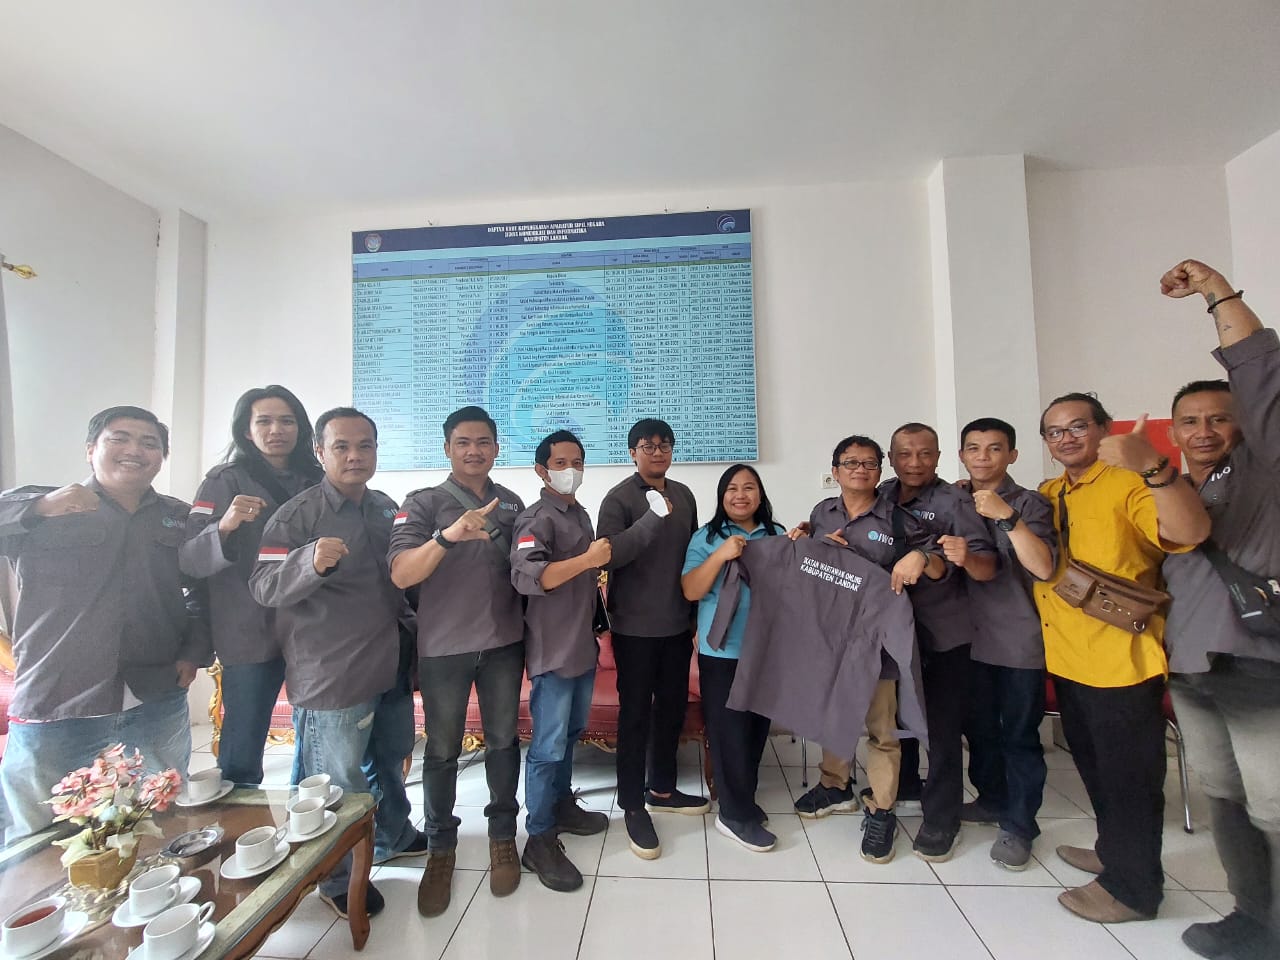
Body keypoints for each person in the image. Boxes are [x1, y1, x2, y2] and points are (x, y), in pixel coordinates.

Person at [1034, 391, 1210, 924]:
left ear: (1103, 428)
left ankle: (1134, 891)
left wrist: (1154, 467)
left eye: (1077, 427)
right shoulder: (1050, 492)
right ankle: (1113, 854)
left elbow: (1187, 533)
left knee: (1131, 781)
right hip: (1067, 658)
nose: (1066, 438)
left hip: (1121, 661)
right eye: (1055, 432)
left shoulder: (1130, 483)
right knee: (1095, 769)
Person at [0, 406, 209, 843]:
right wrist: (39, 507)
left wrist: (193, 651)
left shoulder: (177, 517)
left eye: (149, 443)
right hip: (59, 698)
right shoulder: (46, 508)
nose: (135, 450)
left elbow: (203, 590)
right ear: (90, 449)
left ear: (161, 457)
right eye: (120, 438)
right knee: (38, 835)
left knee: (160, 816)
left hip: (155, 695)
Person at [249, 407, 427, 920]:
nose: (354, 456)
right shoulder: (295, 516)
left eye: (364, 446)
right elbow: (262, 585)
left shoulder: (384, 507)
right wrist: (308, 561)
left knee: (389, 758)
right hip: (332, 669)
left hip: (390, 658)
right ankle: (335, 876)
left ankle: (393, 835)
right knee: (335, 778)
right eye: (342, 446)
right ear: (319, 452)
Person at [1158, 259, 1280, 959]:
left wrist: (1215, 292)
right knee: (1225, 794)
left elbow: (1259, 370)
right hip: (1191, 665)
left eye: (1218, 418)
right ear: (1173, 430)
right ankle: (1251, 915)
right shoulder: (1173, 487)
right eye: (1190, 421)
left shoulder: (1263, 469)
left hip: (1256, 663)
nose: (1204, 431)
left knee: (1274, 803)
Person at [388, 406, 526, 917]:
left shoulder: (510, 502)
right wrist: (447, 536)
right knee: (443, 751)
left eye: (483, 442)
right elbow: (402, 573)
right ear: (447, 448)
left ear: (496, 448)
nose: (474, 451)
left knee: (504, 742)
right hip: (444, 647)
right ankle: (441, 848)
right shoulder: (422, 503)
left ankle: (503, 837)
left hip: (504, 643)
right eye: (463, 442)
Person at [789, 435, 944, 863]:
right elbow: (813, 564)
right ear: (835, 471)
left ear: (880, 470)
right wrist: (808, 542)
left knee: (881, 728)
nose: (860, 470)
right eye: (851, 463)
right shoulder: (823, 513)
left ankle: (881, 809)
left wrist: (921, 559)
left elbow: (933, 555)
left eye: (869, 463)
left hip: (877, 638)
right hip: (832, 635)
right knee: (834, 716)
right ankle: (835, 785)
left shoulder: (898, 518)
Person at [180, 385, 322, 786]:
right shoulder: (223, 481)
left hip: (312, 626)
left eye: (287, 421)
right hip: (248, 628)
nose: (277, 430)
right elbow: (189, 559)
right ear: (246, 430)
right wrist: (225, 526)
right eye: (265, 421)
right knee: (243, 742)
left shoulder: (317, 479)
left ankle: (312, 815)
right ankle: (237, 814)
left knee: (318, 737)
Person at [882, 423, 997, 863]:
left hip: (943, 632)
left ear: (939, 456)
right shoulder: (882, 495)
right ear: (891, 458)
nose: (915, 463)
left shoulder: (955, 501)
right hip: (894, 631)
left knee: (941, 729)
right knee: (900, 716)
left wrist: (942, 556)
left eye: (925, 454)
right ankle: (906, 785)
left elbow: (984, 560)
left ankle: (942, 817)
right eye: (905, 454)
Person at [597, 418, 706, 860]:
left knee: (672, 710)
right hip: (634, 629)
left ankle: (662, 788)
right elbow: (610, 554)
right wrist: (650, 517)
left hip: (677, 624)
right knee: (635, 716)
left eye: (664, 445)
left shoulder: (684, 494)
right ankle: (631, 804)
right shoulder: (618, 498)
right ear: (632, 452)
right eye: (648, 445)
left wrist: (694, 614)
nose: (657, 452)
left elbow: (693, 555)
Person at [510, 430, 612, 891]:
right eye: (560, 463)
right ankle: (539, 838)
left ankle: (562, 806)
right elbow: (528, 577)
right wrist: (588, 559)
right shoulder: (536, 518)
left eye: (577, 462)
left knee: (571, 735)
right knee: (548, 746)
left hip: (581, 647)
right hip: (552, 651)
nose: (571, 470)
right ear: (541, 470)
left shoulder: (579, 513)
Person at [956, 417, 1056, 871]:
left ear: (1012, 455)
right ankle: (991, 799)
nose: (983, 457)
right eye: (974, 448)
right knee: (979, 730)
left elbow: (1044, 567)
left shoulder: (1031, 504)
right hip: (968, 638)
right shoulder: (955, 500)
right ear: (962, 455)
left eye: (994, 448)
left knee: (1018, 736)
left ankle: (1020, 825)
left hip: (1018, 637)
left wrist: (1006, 516)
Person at [682, 464, 784, 852]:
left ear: (760, 494)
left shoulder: (775, 535)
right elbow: (690, 590)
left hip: (766, 650)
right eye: (732, 489)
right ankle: (733, 814)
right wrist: (720, 555)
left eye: (749, 487)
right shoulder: (706, 537)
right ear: (722, 496)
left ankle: (742, 800)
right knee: (729, 734)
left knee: (756, 730)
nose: (740, 495)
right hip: (722, 651)